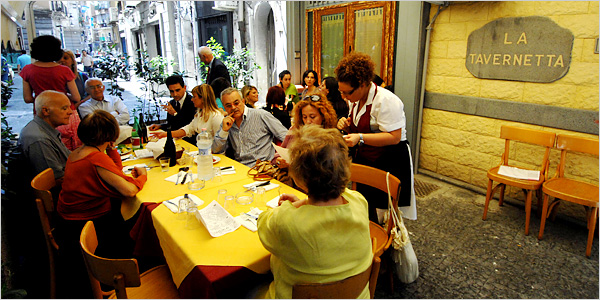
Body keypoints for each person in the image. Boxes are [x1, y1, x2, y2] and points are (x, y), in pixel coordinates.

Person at [257, 125, 373, 299]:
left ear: (299, 178)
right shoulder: (358, 200)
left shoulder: (285, 221)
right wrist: (303, 203)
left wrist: (294, 207)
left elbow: (262, 223)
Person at [55, 110, 147, 298]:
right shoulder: (95, 157)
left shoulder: (78, 152)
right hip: (84, 222)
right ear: (111, 133)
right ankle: (136, 268)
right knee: (138, 216)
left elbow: (114, 171)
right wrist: (143, 177)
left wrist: (111, 149)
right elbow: (128, 191)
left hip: (68, 220)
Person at [336, 52, 416, 221]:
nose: (344, 97)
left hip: (389, 158)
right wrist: (346, 123)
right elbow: (363, 122)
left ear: (364, 84)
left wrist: (360, 137)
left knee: (384, 211)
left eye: (347, 93)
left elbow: (394, 137)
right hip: (367, 156)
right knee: (365, 204)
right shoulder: (354, 99)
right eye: (340, 92)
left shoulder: (386, 101)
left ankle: (384, 240)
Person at [213, 87, 288, 167]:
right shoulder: (226, 122)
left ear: (243, 101)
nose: (233, 108)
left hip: (263, 169)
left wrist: (281, 159)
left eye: (236, 103)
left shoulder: (261, 115)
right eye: (228, 105)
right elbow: (216, 150)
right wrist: (224, 131)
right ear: (224, 107)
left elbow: (287, 137)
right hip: (239, 168)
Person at [18, 90, 72, 185]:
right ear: (46, 111)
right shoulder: (39, 139)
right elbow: (56, 179)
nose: (70, 112)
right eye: (64, 108)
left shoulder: (46, 129)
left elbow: (69, 157)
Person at [273, 91, 338, 168]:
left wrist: (294, 165)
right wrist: (279, 161)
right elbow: (277, 155)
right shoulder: (294, 130)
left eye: (312, 117)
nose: (308, 121)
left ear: (324, 116)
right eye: (304, 117)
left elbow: (328, 169)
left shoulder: (330, 136)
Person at [20, 35, 81, 115]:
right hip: (64, 111)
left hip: (42, 113)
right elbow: (76, 97)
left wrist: (43, 99)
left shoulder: (27, 70)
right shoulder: (65, 70)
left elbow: (27, 99)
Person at [151, 84, 224, 140]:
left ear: (202, 99)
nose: (192, 99)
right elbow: (188, 129)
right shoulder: (199, 113)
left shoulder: (216, 116)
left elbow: (220, 141)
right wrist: (165, 134)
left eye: (194, 97)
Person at [148, 75, 197, 143]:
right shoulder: (172, 103)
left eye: (177, 90)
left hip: (190, 140)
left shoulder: (193, 102)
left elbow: (189, 127)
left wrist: (175, 114)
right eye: (171, 91)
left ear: (184, 88)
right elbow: (171, 124)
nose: (175, 94)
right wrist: (160, 126)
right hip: (174, 139)